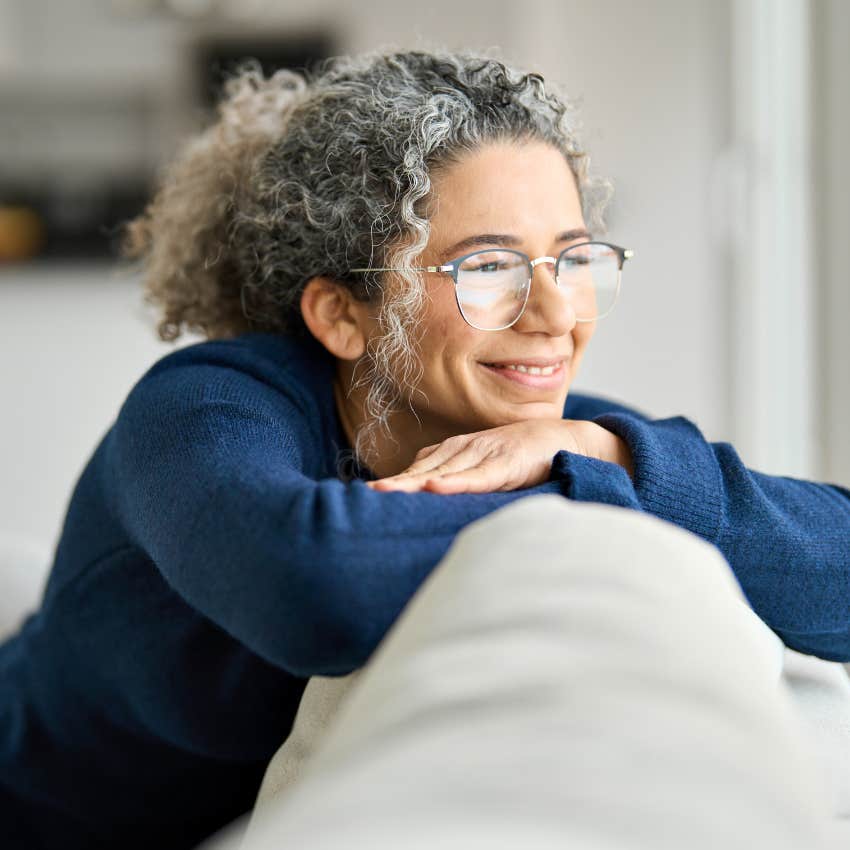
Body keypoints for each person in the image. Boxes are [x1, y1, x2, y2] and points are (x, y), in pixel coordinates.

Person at [1, 47, 848, 850]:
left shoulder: (569, 436)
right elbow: (312, 583)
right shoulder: (203, 408)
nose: (559, 316)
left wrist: (617, 460)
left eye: (574, 258)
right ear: (341, 314)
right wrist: (598, 493)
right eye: (487, 267)